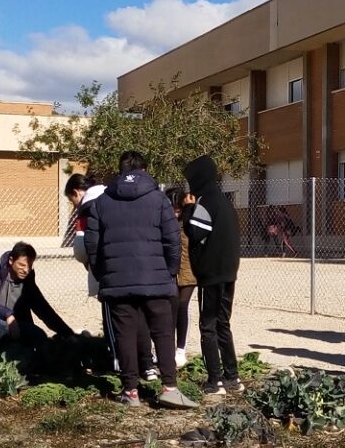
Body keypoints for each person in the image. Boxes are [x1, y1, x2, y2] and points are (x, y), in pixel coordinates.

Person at [84, 151, 197, 409]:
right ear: (144, 170)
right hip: (156, 279)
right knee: (163, 332)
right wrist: (168, 271)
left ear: (119, 169)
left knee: (125, 334)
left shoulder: (103, 202)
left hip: (117, 281)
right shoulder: (159, 200)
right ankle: (169, 387)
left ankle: (130, 392)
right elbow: (173, 240)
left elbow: (92, 242)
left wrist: (103, 273)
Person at [66, 173, 159, 382]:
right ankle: (147, 364)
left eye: (71, 199)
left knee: (114, 320)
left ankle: (120, 364)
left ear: (76, 192)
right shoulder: (116, 198)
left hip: (108, 274)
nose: (73, 204)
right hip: (137, 269)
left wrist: (92, 265)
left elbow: (83, 246)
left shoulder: (88, 208)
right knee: (140, 317)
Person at [182, 154, 243, 395]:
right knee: (222, 324)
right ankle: (233, 377)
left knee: (207, 325)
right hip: (228, 273)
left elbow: (195, 233)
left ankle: (214, 381)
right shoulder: (224, 201)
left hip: (212, 274)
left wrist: (187, 210)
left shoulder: (205, 201)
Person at [0, 242, 74, 355]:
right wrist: (8, 315)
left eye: (30, 265)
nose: (26, 270)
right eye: (22, 265)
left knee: (40, 336)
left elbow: (44, 310)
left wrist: (69, 334)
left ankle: (10, 352)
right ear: (11, 260)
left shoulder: (28, 282)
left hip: (15, 328)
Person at [165, 187, 198, 368]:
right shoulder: (164, 222)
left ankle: (181, 349)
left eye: (179, 207)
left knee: (182, 306)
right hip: (169, 272)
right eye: (173, 207)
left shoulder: (189, 221)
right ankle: (167, 348)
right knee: (171, 308)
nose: (176, 211)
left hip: (188, 271)